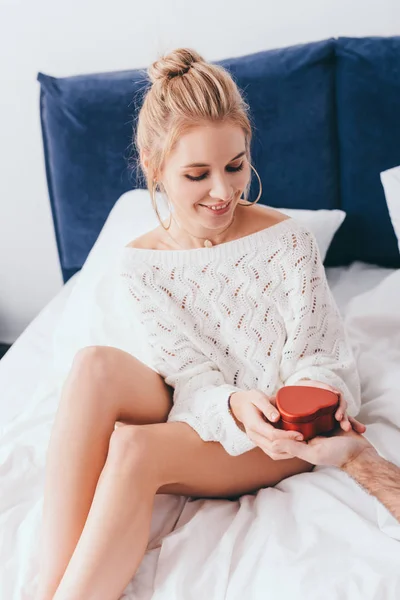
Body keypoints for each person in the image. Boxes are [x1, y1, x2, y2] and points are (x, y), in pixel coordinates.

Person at [35, 47, 369, 600]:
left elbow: (322, 359)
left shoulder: (288, 243)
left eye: (235, 166)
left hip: (275, 438)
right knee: (93, 366)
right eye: (197, 174)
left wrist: (297, 404)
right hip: (209, 407)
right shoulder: (142, 264)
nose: (223, 192)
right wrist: (231, 403)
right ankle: (46, 590)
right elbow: (190, 377)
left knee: (135, 450)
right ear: (152, 164)